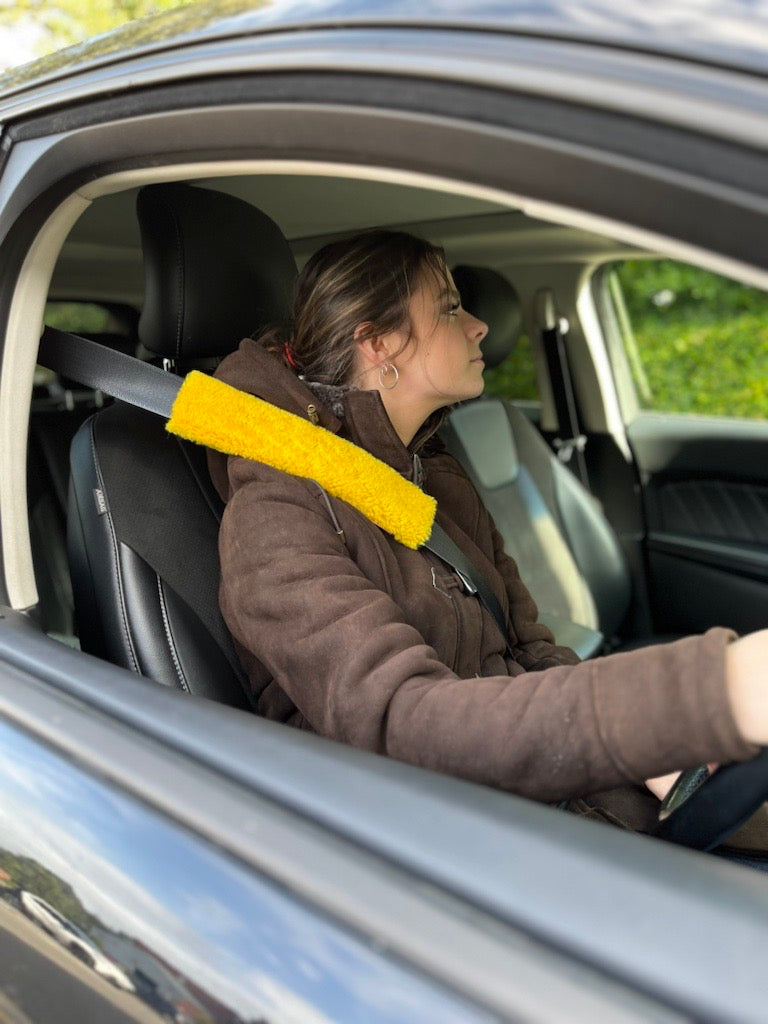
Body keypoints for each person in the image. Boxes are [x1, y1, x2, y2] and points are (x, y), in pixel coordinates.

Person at [206, 229, 768, 836]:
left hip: (538, 792)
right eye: (449, 307)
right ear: (378, 343)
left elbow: (530, 648)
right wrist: (681, 701)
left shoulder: (435, 474)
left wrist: (646, 751)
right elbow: (399, 721)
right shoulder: (273, 517)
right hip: (440, 841)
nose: (479, 326)